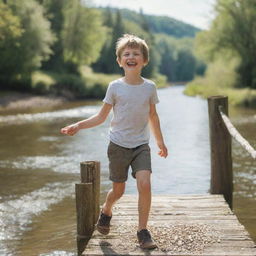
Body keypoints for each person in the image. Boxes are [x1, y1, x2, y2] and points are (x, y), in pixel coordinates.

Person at [61, 34, 168, 249]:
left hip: (141, 146)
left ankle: (143, 231)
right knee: (118, 190)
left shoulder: (150, 87)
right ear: (120, 61)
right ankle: (106, 210)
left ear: (144, 60)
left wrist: (160, 142)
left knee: (145, 184)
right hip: (118, 145)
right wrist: (79, 125)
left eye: (136, 54)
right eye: (126, 54)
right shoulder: (115, 87)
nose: (131, 56)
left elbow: (153, 116)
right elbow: (101, 117)